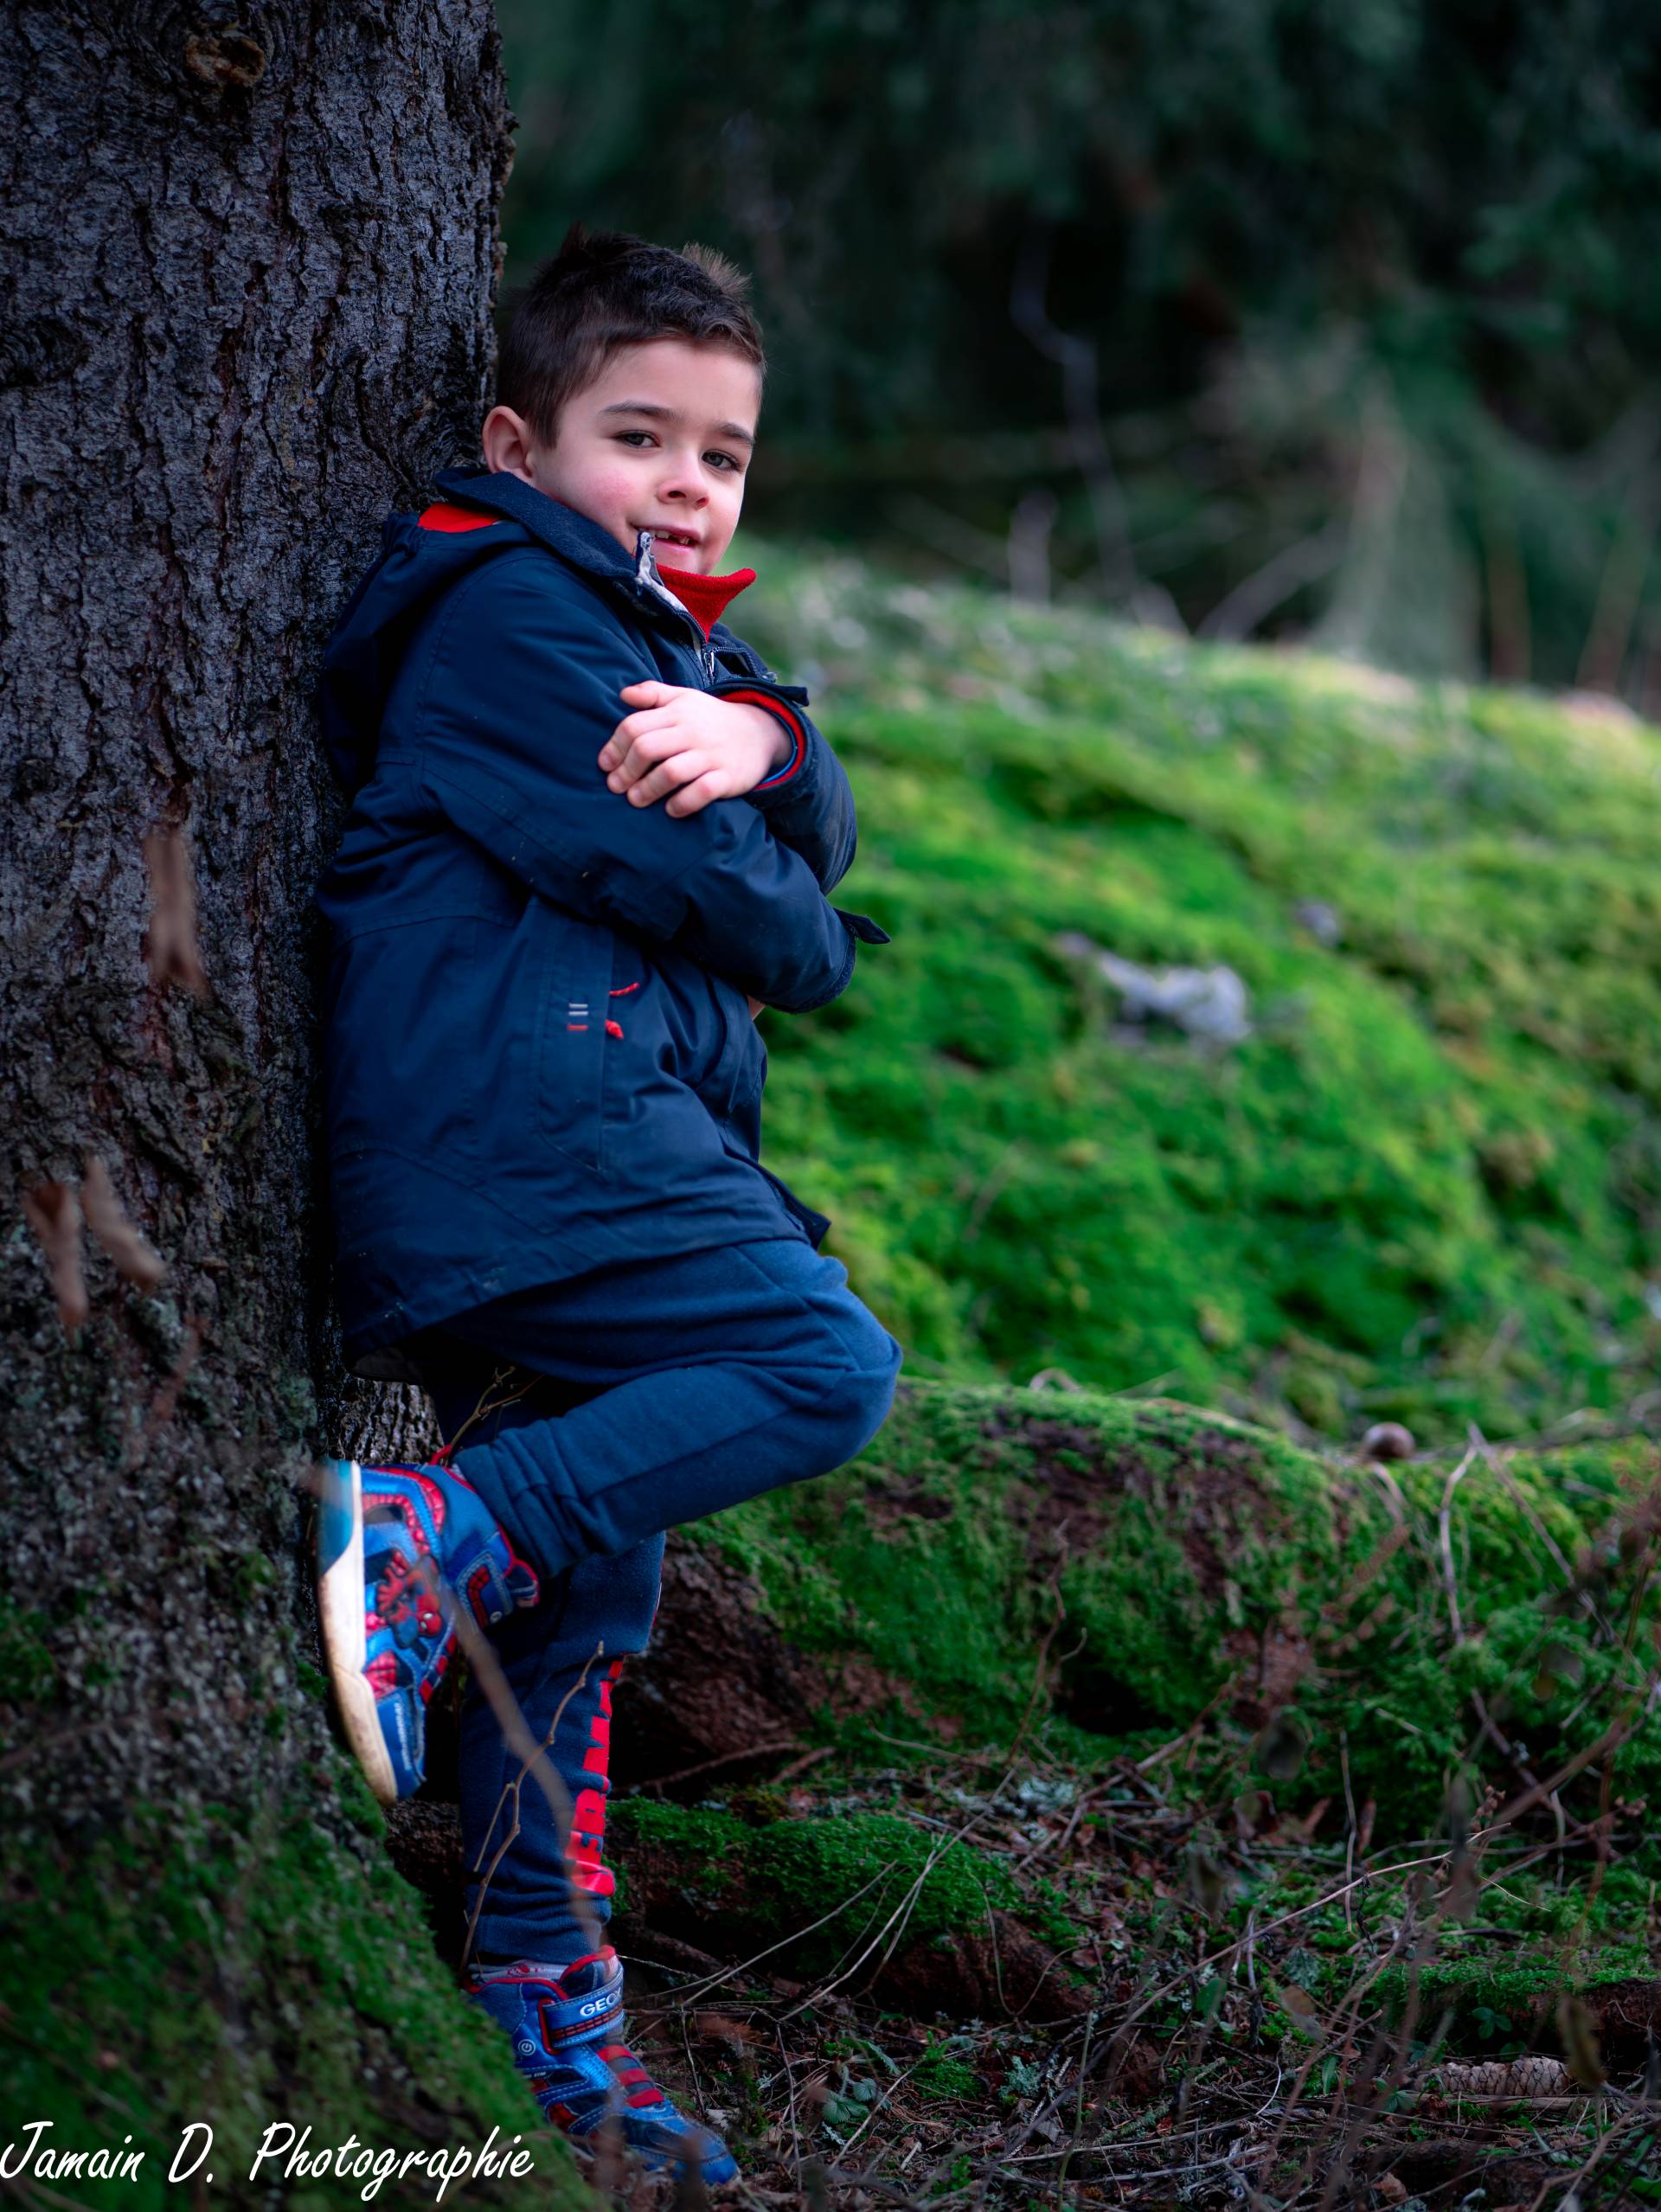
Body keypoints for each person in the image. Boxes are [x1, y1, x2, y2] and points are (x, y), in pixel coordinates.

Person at [312, 227, 901, 2183]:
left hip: (586, 1145)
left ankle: (544, 1998)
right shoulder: (507, 613)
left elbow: (802, 831)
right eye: (636, 436)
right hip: (527, 1143)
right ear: (519, 443)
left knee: (592, 1592)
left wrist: (772, 735)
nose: (685, 484)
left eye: (721, 455)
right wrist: (784, 866)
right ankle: (424, 1541)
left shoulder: (668, 651)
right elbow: (758, 916)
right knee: (820, 1363)